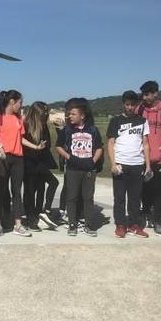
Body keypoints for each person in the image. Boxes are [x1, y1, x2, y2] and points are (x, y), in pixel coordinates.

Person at [0, 90, 38, 237]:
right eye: (20, 102)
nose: (21, 105)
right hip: (3, 159)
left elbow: (20, 138)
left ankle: (18, 224)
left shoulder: (18, 120)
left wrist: (35, 146)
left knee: (17, 192)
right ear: (12, 102)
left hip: (18, 159)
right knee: (0, 191)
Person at [106, 91, 151, 238]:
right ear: (123, 104)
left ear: (136, 105)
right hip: (121, 164)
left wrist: (148, 166)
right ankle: (120, 225)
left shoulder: (143, 121)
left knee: (135, 198)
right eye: (127, 104)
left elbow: (145, 144)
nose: (130, 107)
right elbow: (110, 143)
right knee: (119, 197)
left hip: (137, 164)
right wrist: (113, 163)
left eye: (133, 104)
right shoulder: (115, 121)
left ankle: (133, 225)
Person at [56, 100, 103, 237]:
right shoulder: (67, 130)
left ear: (82, 116)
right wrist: (68, 157)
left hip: (88, 169)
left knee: (88, 197)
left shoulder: (93, 129)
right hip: (72, 168)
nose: (70, 116)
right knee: (72, 197)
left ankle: (88, 224)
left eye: (73, 114)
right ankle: (72, 223)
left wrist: (93, 161)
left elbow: (99, 147)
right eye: (69, 113)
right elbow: (58, 146)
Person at [137, 80, 161, 232]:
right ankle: (145, 214)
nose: (144, 98)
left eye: (147, 94)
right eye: (143, 94)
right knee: (145, 190)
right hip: (142, 159)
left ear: (155, 93)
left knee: (160, 191)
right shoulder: (139, 110)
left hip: (160, 159)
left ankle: (158, 219)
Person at [22, 101, 60, 232]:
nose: (46, 115)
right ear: (36, 113)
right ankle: (30, 218)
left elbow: (48, 144)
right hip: (29, 163)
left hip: (41, 162)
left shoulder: (43, 126)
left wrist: (44, 146)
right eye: (44, 112)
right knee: (30, 191)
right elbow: (23, 143)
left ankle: (42, 212)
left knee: (44, 188)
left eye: (46, 112)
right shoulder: (26, 124)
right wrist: (37, 147)